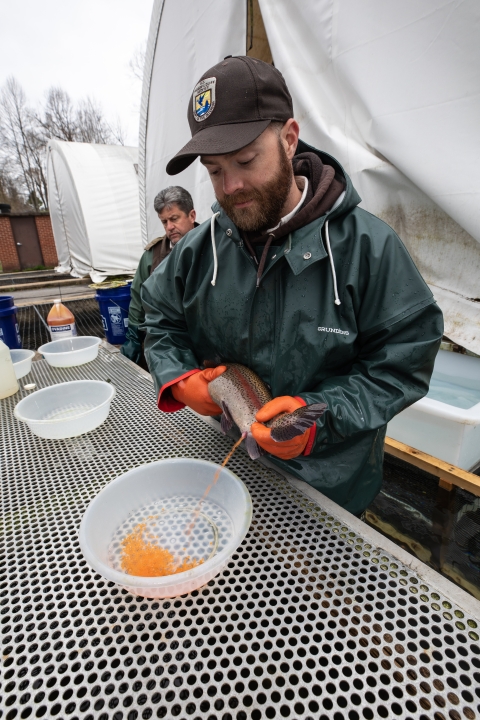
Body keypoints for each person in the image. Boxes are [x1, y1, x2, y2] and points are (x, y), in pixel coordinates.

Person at [141, 56, 443, 516]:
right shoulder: (197, 250)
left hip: (332, 488)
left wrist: (320, 420)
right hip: (230, 468)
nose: (232, 185)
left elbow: (403, 361)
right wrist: (179, 379)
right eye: (215, 170)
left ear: (288, 139)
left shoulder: (369, 247)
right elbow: (160, 318)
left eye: (245, 159)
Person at [121, 186, 197, 367]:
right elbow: (138, 299)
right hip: (165, 346)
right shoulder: (152, 256)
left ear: (192, 216)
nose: (169, 227)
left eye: (174, 219)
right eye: (164, 222)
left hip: (202, 342)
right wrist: (133, 335)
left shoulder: (214, 246)